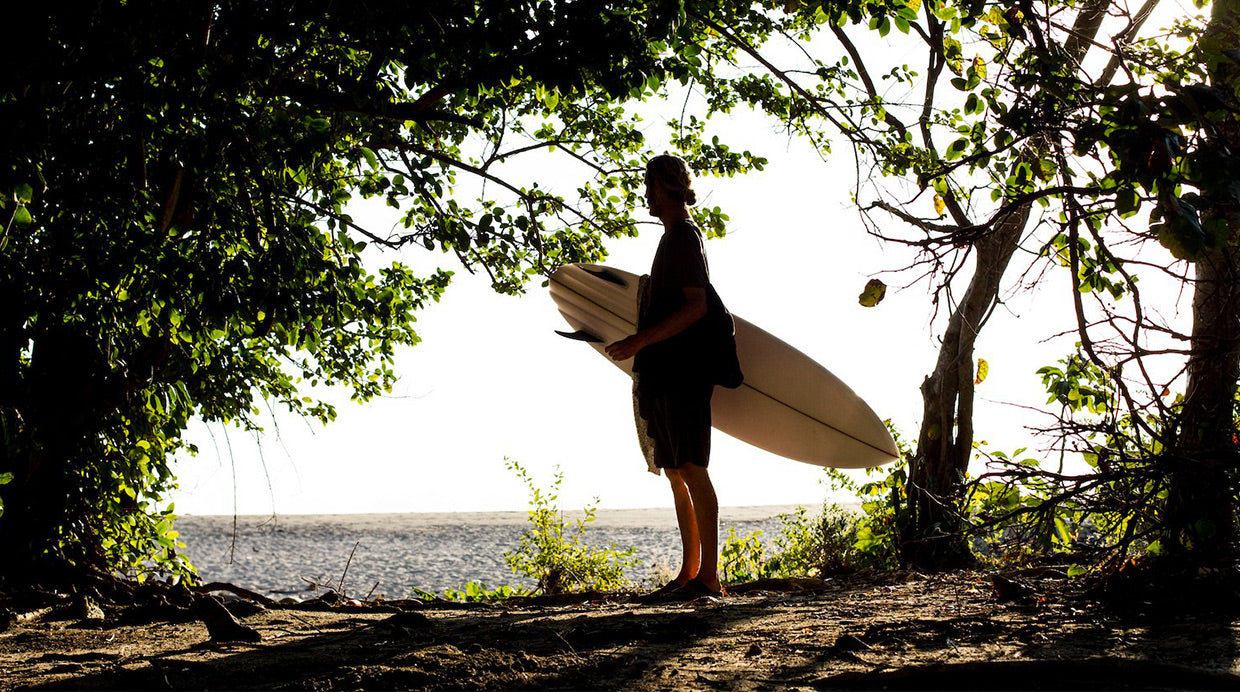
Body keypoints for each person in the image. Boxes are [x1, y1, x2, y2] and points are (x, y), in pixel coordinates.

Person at [605, 154, 741, 600]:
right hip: (667, 373)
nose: (645, 193)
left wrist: (638, 340)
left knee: (692, 469)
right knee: (675, 472)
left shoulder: (683, 237)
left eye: (649, 184)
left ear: (665, 186)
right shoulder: (671, 240)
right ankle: (689, 573)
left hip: (684, 372)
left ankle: (709, 579)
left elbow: (696, 305)